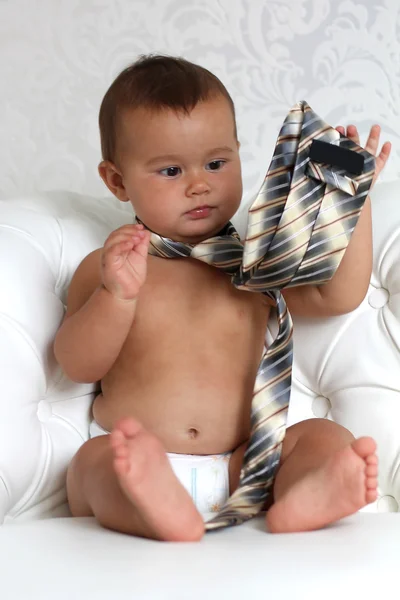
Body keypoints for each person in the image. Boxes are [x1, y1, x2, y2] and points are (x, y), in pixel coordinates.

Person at [54, 54, 391, 542]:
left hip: (244, 465)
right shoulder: (112, 269)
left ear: (237, 152)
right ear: (117, 181)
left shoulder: (258, 262)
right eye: (170, 170)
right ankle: (153, 502)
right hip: (140, 454)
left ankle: (308, 494)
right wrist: (117, 297)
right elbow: (77, 363)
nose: (199, 184)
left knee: (322, 439)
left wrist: (351, 201)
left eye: (216, 163)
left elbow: (336, 295)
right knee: (91, 466)